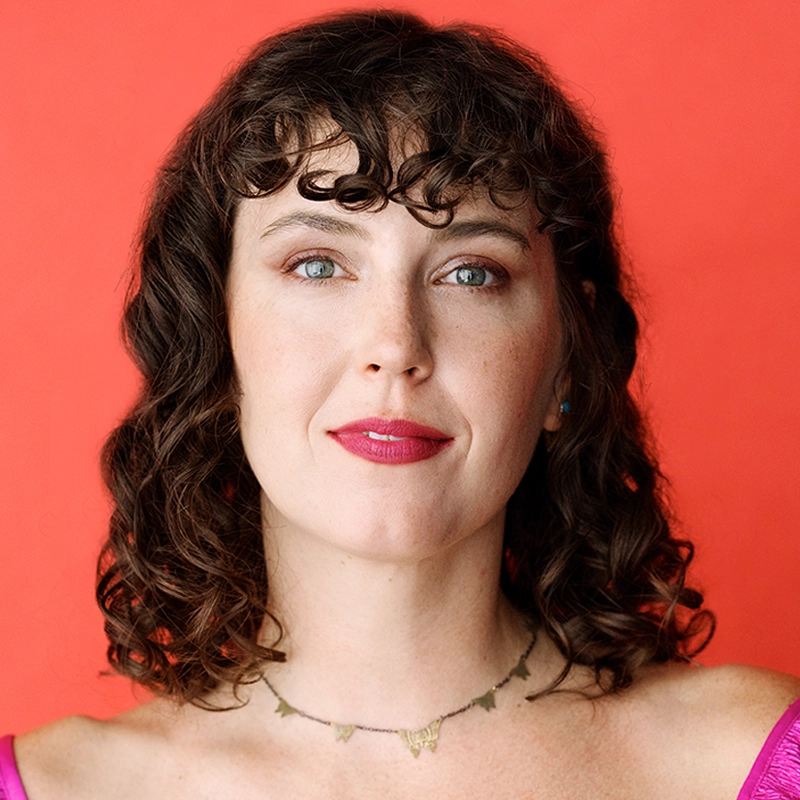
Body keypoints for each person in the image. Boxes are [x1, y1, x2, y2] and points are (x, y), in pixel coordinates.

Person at [2, 10, 798, 799]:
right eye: (317, 264)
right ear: (218, 342)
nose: (396, 344)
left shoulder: (754, 763)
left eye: (472, 272)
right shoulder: (45, 786)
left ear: (568, 362)